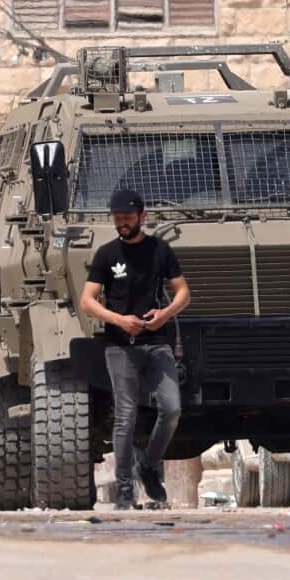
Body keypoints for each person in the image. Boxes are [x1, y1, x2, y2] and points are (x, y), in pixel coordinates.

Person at [80, 189, 191, 509]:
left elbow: (183, 292)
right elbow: (88, 301)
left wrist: (165, 315)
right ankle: (125, 487)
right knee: (125, 416)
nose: (122, 224)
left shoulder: (160, 250)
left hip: (157, 345)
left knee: (172, 409)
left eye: (128, 218)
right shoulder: (106, 254)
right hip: (120, 347)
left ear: (143, 217)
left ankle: (149, 465)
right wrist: (118, 320)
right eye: (117, 218)